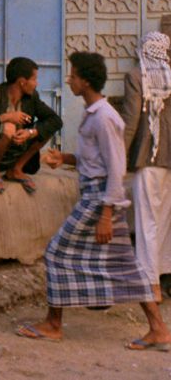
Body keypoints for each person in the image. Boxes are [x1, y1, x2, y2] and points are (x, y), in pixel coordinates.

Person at [17, 51, 171, 351]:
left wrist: (106, 214)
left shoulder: (104, 117)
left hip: (100, 200)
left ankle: (53, 324)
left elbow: (116, 166)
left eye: (73, 75)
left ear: (85, 81)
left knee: (56, 252)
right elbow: (95, 160)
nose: (69, 80)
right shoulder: (94, 114)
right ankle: (158, 329)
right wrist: (66, 158)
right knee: (124, 264)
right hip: (97, 196)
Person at [0, 57, 62, 194]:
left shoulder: (31, 98)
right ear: (22, 82)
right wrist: (4, 118)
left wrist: (30, 133)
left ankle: (15, 170)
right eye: (34, 79)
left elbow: (56, 120)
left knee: (44, 129)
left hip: (13, 155)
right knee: (8, 127)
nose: (36, 83)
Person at [122, 32, 171, 302]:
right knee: (163, 222)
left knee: (147, 223)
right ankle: (161, 277)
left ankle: (151, 285)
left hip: (148, 157)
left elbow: (130, 121)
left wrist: (119, 157)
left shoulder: (136, 76)